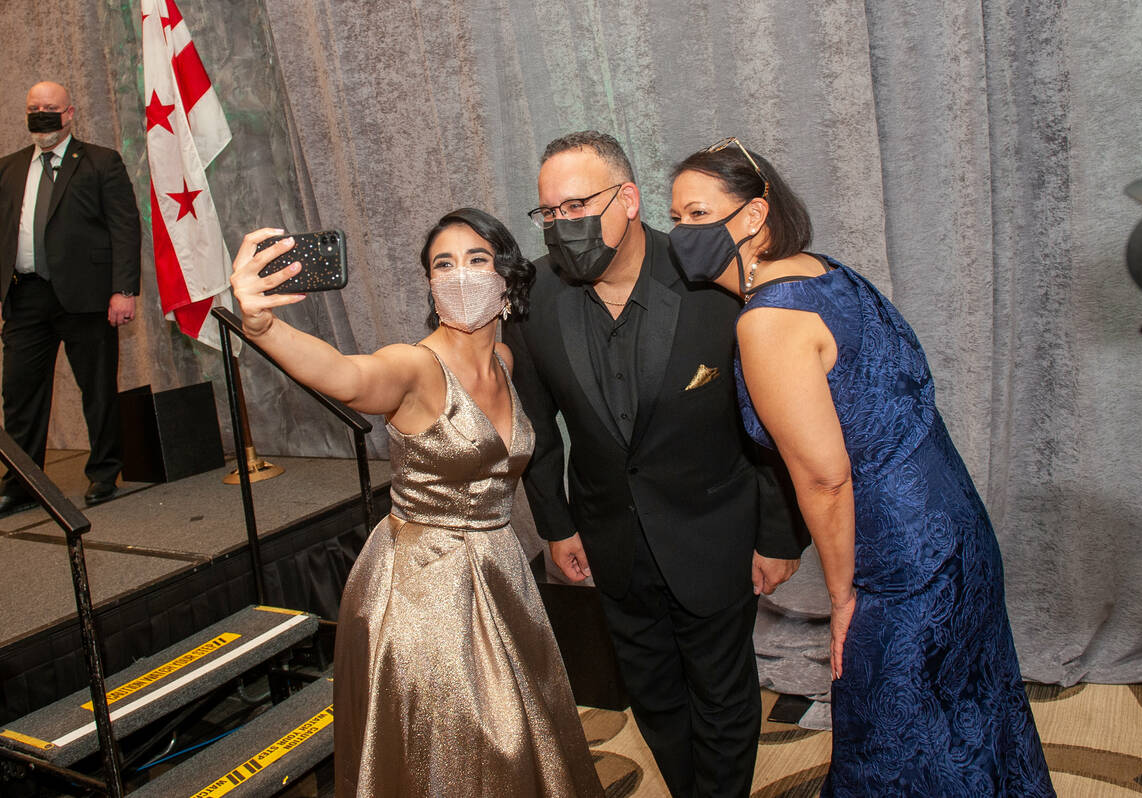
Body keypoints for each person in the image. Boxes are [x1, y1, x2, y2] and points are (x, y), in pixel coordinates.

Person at [667, 137, 1056, 796]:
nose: (682, 234)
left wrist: (844, 599)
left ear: (754, 217)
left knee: (893, 746)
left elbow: (824, 476)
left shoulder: (767, 321)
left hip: (900, 563)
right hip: (955, 525)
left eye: (698, 216)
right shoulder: (827, 272)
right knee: (968, 718)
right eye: (675, 218)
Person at [230, 209, 603, 798]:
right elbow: (348, 376)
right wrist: (263, 326)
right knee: (455, 757)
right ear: (428, 284)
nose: (460, 276)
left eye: (477, 260)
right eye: (442, 264)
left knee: (521, 739)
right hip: (423, 591)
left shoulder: (505, 363)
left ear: (507, 277)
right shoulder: (414, 367)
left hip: (501, 571)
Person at [505, 131, 803, 798]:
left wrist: (778, 534)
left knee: (724, 696)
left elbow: (771, 427)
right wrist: (556, 526)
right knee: (654, 695)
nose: (563, 225)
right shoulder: (536, 296)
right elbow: (537, 428)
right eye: (549, 212)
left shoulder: (714, 283)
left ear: (629, 200)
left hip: (714, 529)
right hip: (610, 538)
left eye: (578, 204)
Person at [0, 81, 140, 513]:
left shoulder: (101, 162)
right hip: (26, 296)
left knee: (96, 389)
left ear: (69, 113)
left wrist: (123, 290)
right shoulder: (8, 167)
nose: (41, 113)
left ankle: (102, 474)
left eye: (50, 107)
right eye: (33, 107)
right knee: (19, 393)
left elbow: (124, 228)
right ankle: (22, 482)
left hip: (88, 298)